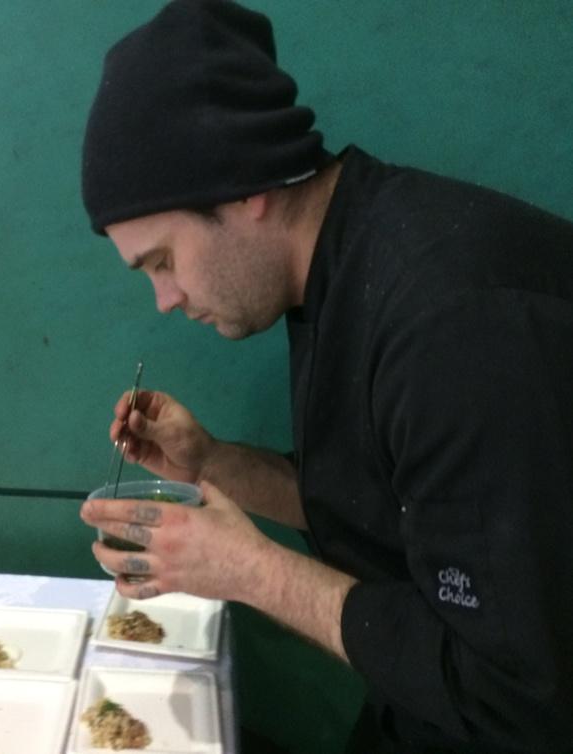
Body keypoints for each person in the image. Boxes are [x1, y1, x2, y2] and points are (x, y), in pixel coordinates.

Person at [78, 1, 573, 751]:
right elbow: (389, 514)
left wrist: (249, 571)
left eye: (164, 261)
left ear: (242, 186)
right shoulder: (339, 264)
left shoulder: (457, 326)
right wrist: (213, 465)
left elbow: (515, 694)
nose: (166, 299)